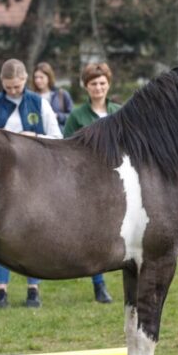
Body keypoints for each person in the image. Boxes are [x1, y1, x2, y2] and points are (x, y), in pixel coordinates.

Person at [0, 59, 62, 309]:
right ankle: (1, 290)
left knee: (33, 233)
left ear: (25, 80)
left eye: (17, 86)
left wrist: (33, 136)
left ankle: (33, 288)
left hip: (34, 177)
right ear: (2, 83)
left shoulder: (39, 103)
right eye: (8, 87)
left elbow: (57, 138)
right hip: (0, 179)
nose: (13, 91)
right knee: (1, 233)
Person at [62, 62, 124, 304]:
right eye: (93, 84)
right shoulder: (77, 115)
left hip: (118, 181)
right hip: (87, 183)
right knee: (95, 233)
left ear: (108, 85)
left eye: (102, 83)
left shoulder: (120, 111)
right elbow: (65, 148)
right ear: (86, 87)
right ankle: (99, 285)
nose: (98, 88)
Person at [31, 62, 74, 130]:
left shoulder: (62, 94)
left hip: (58, 136)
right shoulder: (31, 97)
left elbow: (72, 117)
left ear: (49, 77)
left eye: (41, 77)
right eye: (36, 77)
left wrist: (57, 116)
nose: (38, 80)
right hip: (37, 136)